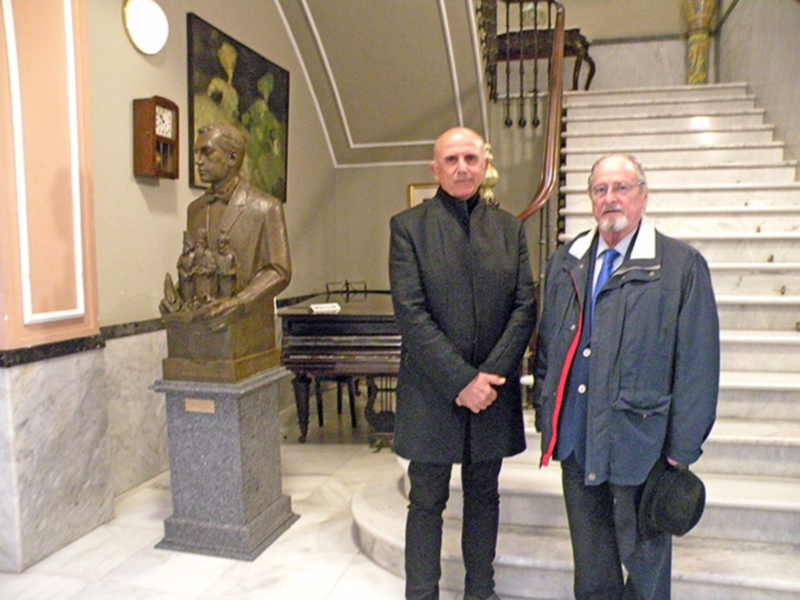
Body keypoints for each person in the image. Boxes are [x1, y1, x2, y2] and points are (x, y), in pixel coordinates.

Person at [532, 154, 719, 599]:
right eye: (600, 189)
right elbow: (547, 350)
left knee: (646, 567)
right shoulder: (566, 262)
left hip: (642, 445)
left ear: (643, 196)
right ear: (591, 199)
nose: (610, 198)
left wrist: (682, 447)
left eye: (622, 187)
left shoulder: (680, 266)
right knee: (593, 567)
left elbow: (698, 364)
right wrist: (546, 413)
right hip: (577, 441)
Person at [389, 127, 537, 600]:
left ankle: (481, 590)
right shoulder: (408, 227)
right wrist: (461, 380)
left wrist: (488, 378)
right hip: (433, 391)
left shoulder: (510, 229)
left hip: (492, 391)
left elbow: (524, 307)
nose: (461, 168)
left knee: (484, 497)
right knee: (426, 501)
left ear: (484, 165)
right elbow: (410, 313)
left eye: (470, 158)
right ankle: (422, 594)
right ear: (435, 168)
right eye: (451, 159)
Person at [160, 122, 291, 328]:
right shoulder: (194, 210)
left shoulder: (266, 207)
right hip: (200, 330)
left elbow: (279, 271)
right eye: (196, 153)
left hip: (247, 329)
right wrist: (177, 296)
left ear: (232, 158)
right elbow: (199, 263)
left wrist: (240, 302)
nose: (198, 161)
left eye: (207, 152)